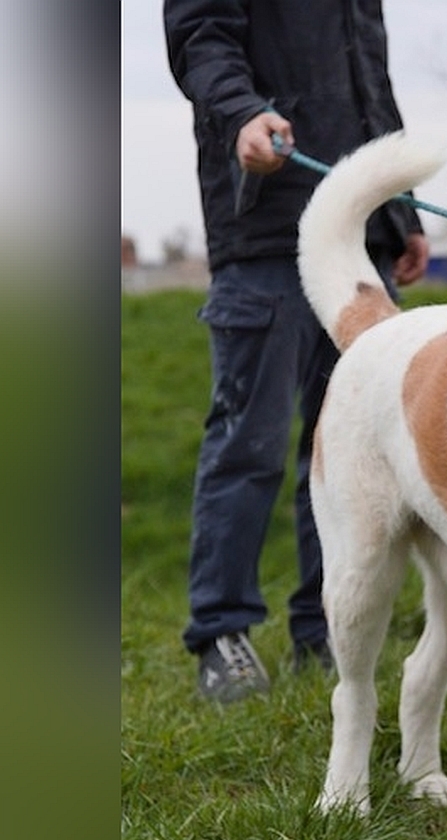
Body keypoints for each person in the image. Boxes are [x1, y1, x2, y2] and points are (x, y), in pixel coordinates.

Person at [164, 0, 429, 701]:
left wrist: (402, 213)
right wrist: (243, 111)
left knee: (355, 450)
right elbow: (201, 37)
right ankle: (221, 633)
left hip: (361, 246)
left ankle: (326, 629)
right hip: (267, 234)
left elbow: (371, 84)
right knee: (248, 444)